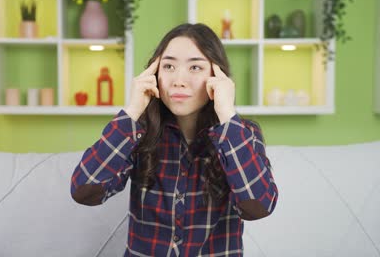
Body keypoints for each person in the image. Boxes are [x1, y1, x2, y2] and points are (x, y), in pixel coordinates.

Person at [71, 23, 278, 257]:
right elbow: (83, 190)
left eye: (195, 67)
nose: (179, 80)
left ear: (217, 77)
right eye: (168, 66)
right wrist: (132, 111)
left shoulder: (242, 133)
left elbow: (259, 205)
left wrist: (227, 115)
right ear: (154, 74)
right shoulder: (136, 132)